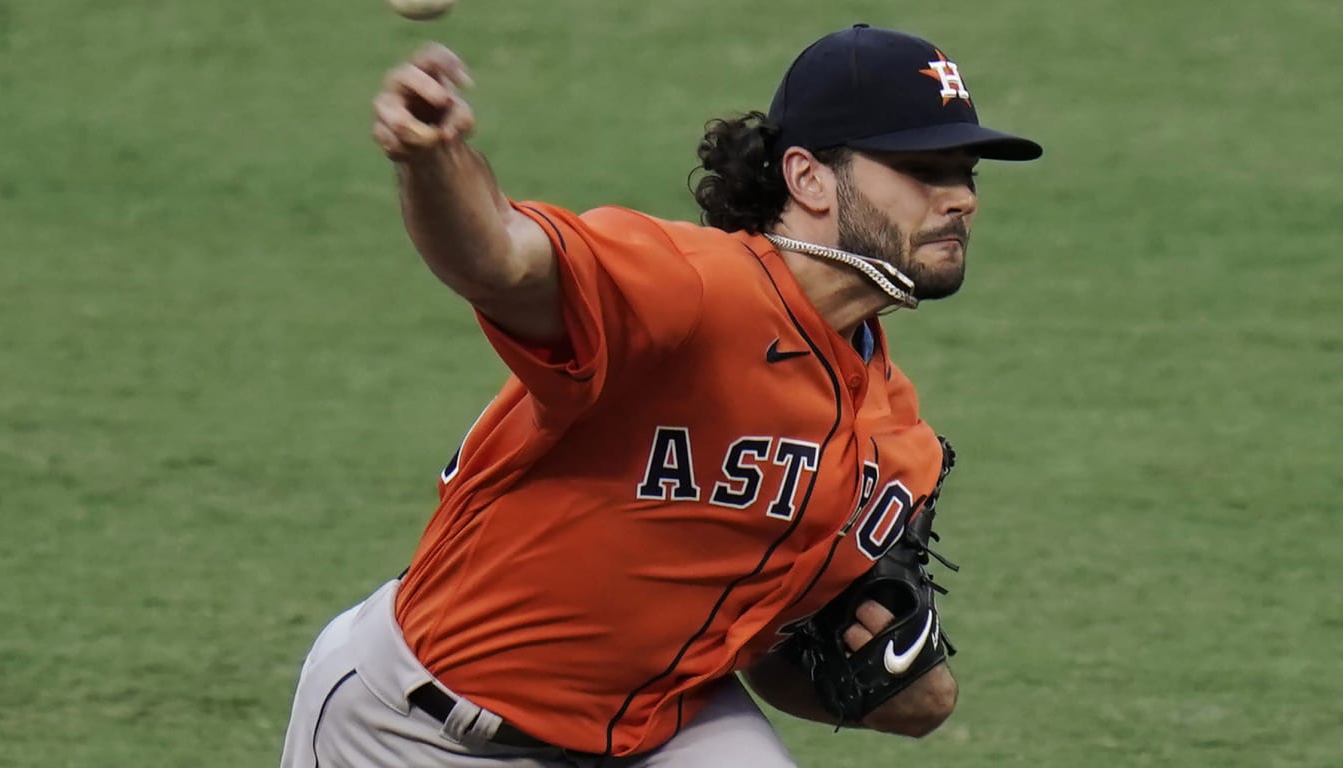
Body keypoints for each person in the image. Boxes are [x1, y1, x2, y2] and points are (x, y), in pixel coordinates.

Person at [280, 22, 1042, 768]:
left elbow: (777, 655)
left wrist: (903, 685)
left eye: (966, 172)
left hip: (660, 724)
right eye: (925, 169)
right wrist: (431, 158)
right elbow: (501, 258)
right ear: (808, 177)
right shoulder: (691, 290)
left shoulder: (895, 444)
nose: (961, 199)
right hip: (413, 723)